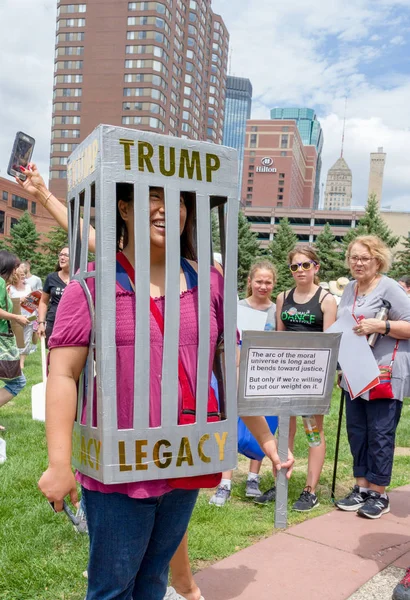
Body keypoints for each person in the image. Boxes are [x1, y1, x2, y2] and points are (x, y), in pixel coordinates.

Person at [38, 183, 295, 600]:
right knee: (112, 588)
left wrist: (265, 438)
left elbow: (228, 369)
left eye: (175, 200)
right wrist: (58, 462)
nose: (164, 209)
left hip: (185, 457)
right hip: (119, 470)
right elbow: (63, 373)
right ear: (123, 207)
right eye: (150, 197)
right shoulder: (91, 285)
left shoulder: (208, 282)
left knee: (154, 580)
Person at [334, 235, 410, 519]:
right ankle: (362, 487)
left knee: (380, 433)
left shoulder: (390, 287)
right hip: (355, 371)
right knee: (358, 432)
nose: (358, 263)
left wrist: (383, 325)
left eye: (364, 258)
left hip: (384, 373)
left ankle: (379, 492)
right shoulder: (350, 288)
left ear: (378, 260)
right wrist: (342, 367)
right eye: (353, 257)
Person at [209, 260, 278, 507]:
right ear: (250, 282)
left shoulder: (276, 310)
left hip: (264, 373)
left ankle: (253, 478)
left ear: (274, 283)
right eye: (258, 281)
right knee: (229, 423)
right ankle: (224, 481)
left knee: (263, 421)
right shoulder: (236, 308)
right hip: (235, 370)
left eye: (268, 282)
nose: (263, 285)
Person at [275, 244, 337, 512]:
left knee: (313, 431)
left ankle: (310, 489)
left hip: (313, 374)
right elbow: (276, 338)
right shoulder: (282, 297)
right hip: (285, 373)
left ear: (316, 267)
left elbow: (330, 342)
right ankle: (281, 481)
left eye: (305, 265)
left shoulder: (326, 300)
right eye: (295, 266)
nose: (300, 270)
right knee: (284, 429)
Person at [0, 251, 29, 430]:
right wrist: (16, 318)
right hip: (2, 342)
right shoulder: (0, 282)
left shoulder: (4, 285)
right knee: (18, 382)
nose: (17, 270)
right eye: (16, 266)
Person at [37, 247, 70, 346]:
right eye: (61, 255)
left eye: (66, 255)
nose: (62, 257)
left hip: (72, 323)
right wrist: (41, 323)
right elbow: (43, 302)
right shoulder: (51, 277)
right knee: (53, 353)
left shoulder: (78, 278)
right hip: (54, 322)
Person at [8, 263, 36, 369]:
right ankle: (13, 360)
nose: (24, 277)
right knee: (15, 340)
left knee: (26, 340)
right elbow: (8, 303)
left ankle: (21, 363)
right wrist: (20, 300)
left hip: (29, 317)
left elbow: (34, 301)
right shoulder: (10, 288)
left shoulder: (28, 287)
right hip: (15, 318)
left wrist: (30, 299)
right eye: (21, 275)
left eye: (24, 275)